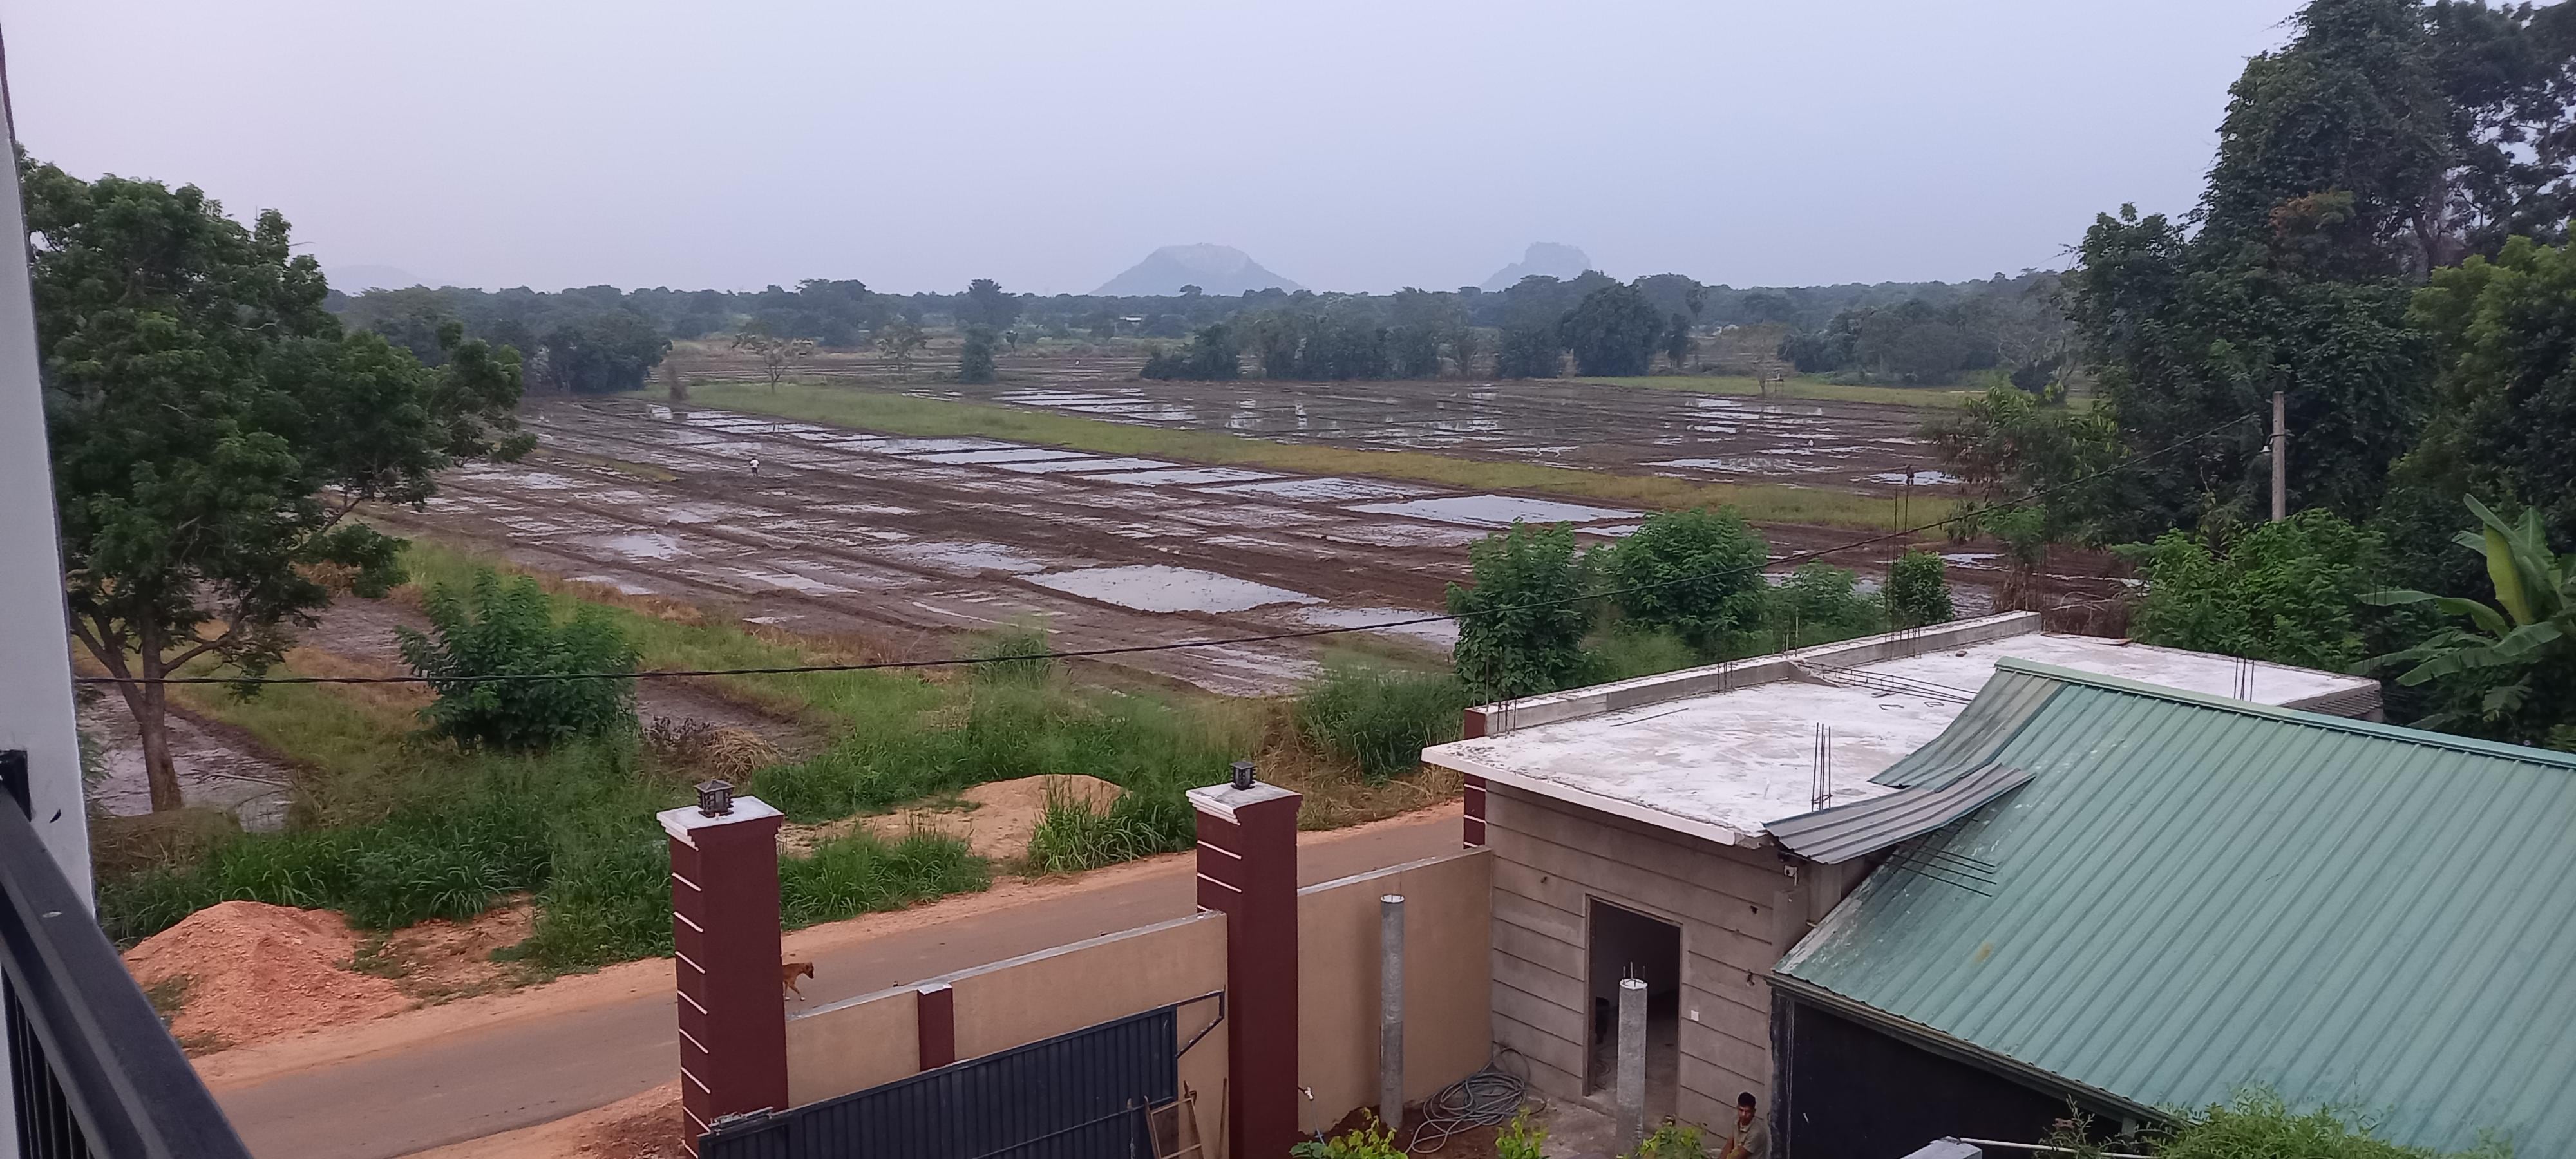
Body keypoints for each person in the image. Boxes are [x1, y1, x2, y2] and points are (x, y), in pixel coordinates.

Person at [1721, 1091, 1768, 1159]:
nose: (1744, 1115)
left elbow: (1740, 1156)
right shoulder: (1736, 1120)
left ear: (1754, 1112)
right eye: (1741, 1110)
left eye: (1747, 1112)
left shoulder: (1756, 1132)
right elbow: (1729, 1144)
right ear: (1737, 1108)